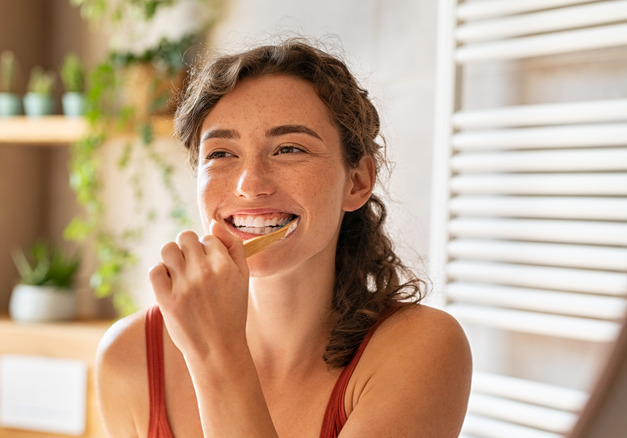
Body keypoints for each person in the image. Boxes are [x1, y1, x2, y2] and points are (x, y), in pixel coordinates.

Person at [95, 38, 472, 437]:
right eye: (221, 154)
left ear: (357, 182)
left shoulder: (421, 350)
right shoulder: (131, 356)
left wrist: (217, 353)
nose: (250, 184)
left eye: (289, 148)